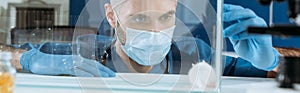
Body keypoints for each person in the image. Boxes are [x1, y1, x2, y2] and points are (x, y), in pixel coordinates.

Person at [15, 0, 280, 77]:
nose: (155, 33)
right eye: (140, 19)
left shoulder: (194, 54)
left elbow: (278, 75)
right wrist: (29, 59)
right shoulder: (85, 52)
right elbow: (5, 55)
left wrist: (272, 61)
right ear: (111, 16)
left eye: (166, 17)